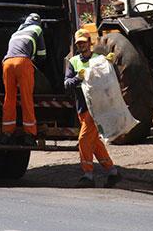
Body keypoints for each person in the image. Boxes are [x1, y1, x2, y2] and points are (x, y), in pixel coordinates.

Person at [64, 29, 121, 188]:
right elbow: (67, 84)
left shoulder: (99, 59)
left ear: (90, 43)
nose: (82, 45)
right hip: (82, 108)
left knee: (83, 139)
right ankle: (112, 172)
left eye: (84, 42)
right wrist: (78, 77)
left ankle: (88, 175)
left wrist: (109, 64)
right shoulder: (73, 62)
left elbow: (110, 80)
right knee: (94, 142)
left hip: (97, 108)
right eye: (79, 43)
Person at [1, 13, 47, 146]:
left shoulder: (16, 33)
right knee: (26, 99)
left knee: (9, 98)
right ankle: (30, 134)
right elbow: (42, 54)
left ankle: (7, 132)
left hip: (7, 63)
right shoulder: (37, 29)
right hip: (22, 63)